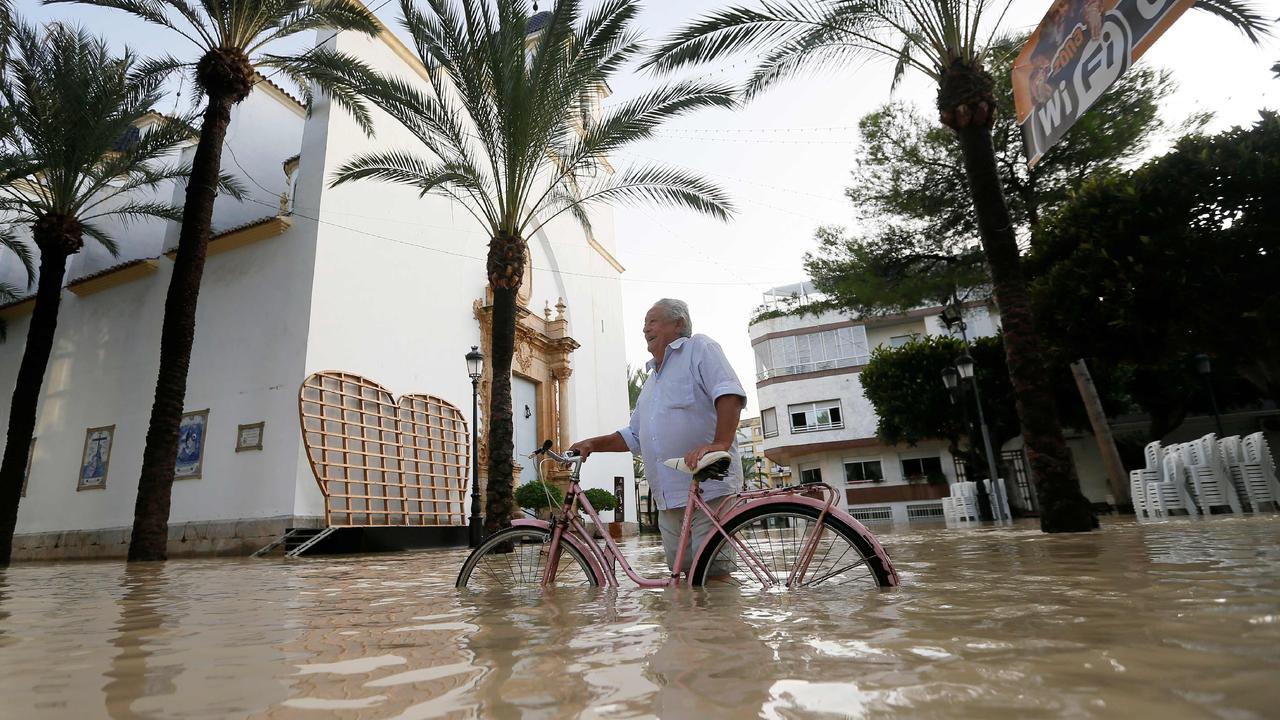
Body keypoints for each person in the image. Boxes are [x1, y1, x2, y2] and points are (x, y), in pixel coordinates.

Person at [570, 298, 746, 578]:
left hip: (710, 488)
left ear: (678, 324)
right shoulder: (651, 383)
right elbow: (634, 436)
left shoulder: (699, 348)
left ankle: (719, 623)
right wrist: (592, 444)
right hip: (670, 498)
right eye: (644, 324)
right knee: (684, 577)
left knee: (715, 576)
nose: (645, 329)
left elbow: (729, 394)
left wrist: (720, 443)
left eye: (652, 321)